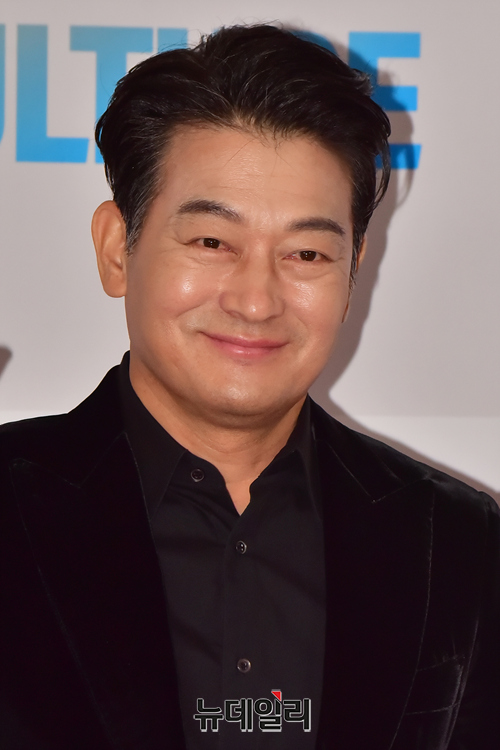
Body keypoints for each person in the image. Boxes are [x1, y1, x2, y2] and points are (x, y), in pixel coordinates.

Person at [1, 24, 498, 750]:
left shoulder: (457, 544)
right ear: (116, 249)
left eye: (306, 253)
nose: (257, 300)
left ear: (353, 269)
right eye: (211, 242)